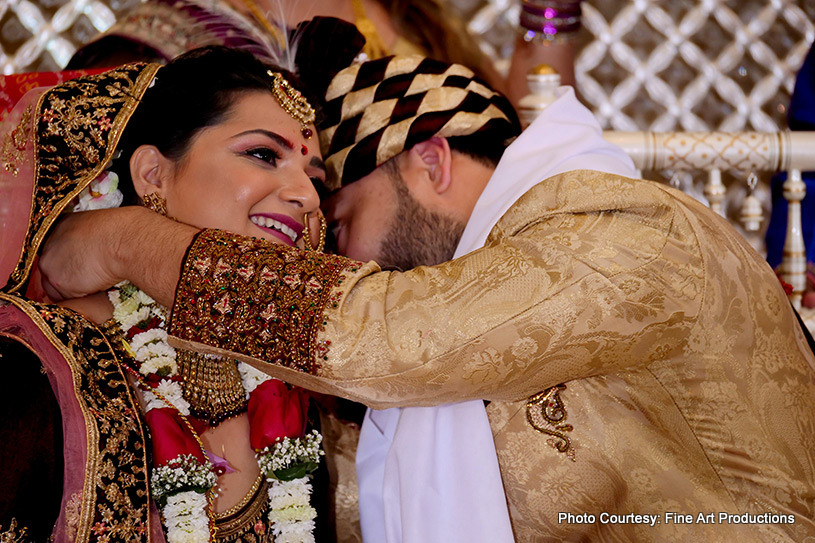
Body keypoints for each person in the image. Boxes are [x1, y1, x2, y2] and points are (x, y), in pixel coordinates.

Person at [38, 53, 815, 541]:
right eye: (262, 156)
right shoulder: (56, 362)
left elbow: (382, 339)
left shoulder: (623, 233)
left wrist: (123, 239)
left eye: (339, 208)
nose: (324, 233)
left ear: (430, 163)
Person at [0, 46, 341, 542]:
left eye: (314, 180)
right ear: (152, 175)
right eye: (264, 154)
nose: (307, 197)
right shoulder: (38, 359)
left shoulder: (292, 396)